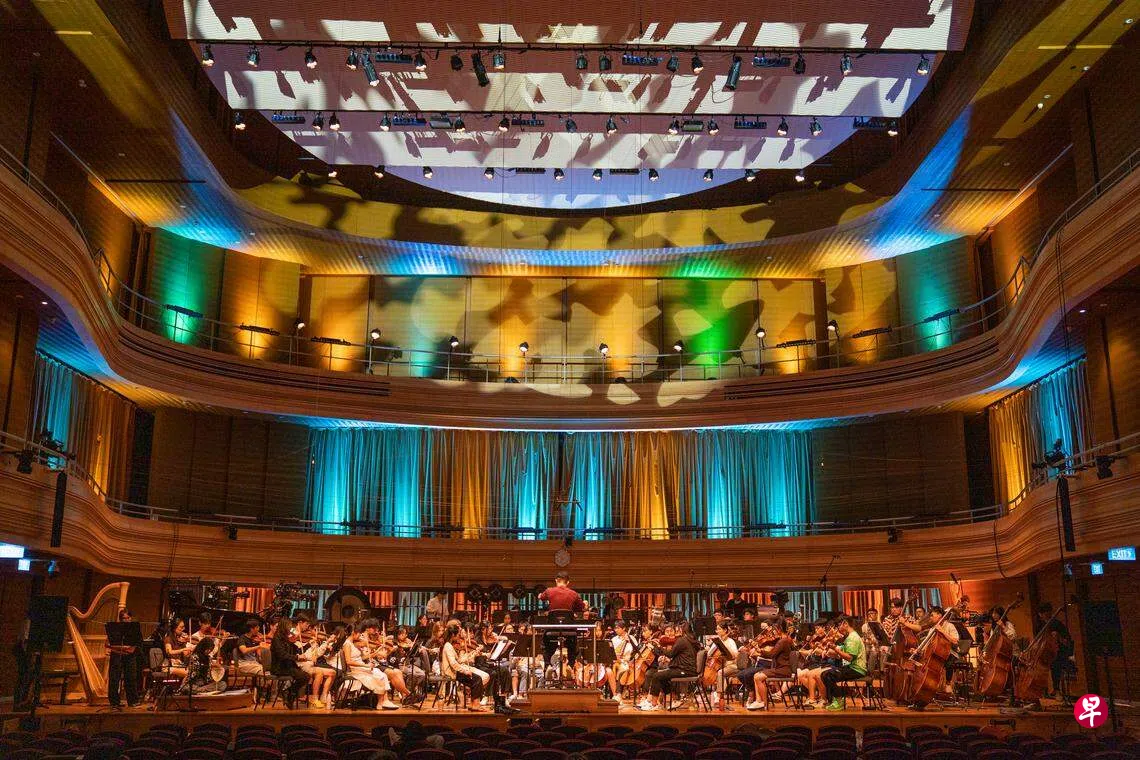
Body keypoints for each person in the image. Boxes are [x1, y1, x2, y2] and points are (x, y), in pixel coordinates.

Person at [638, 621, 698, 711]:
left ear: (682, 630)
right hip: (686, 669)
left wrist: (658, 647)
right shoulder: (689, 640)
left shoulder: (682, 640)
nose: (676, 632)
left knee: (656, 676)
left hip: (684, 670)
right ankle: (675, 699)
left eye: (677, 630)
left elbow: (670, 654)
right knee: (661, 677)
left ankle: (653, 704)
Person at [538, 571, 586, 673]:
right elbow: (581, 607)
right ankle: (570, 665)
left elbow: (541, 597)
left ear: (556, 580)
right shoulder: (574, 594)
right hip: (569, 630)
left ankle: (547, 665)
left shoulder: (549, 591)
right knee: (573, 643)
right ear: (568, 582)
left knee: (545, 642)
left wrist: (540, 595)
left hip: (552, 629)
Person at [743, 619, 792, 711]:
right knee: (756, 676)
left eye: (774, 629)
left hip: (783, 669)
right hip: (779, 668)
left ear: (779, 629)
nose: (773, 632)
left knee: (758, 677)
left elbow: (771, 654)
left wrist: (760, 651)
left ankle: (763, 703)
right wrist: (759, 650)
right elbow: (771, 654)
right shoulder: (782, 640)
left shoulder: (783, 641)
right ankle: (759, 701)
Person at [441, 624, 490, 712]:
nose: (459, 636)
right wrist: (465, 671)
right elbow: (453, 664)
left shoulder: (449, 645)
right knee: (477, 679)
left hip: (454, 671)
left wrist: (471, 655)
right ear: (453, 635)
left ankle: (473, 704)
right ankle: (476, 704)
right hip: (451, 673)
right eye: (457, 634)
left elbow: (457, 661)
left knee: (475, 679)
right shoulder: (448, 646)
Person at [821, 617, 867, 711]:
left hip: (857, 669)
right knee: (825, 674)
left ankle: (839, 700)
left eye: (839, 625)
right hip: (852, 667)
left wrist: (835, 649)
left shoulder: (852, 638)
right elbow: (841, 652)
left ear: (845, 624)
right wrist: (833, 649)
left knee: (828, 675)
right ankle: (833, 701)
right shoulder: (850, 637)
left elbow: (849, 657)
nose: (838, 628)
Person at [269, 616, 311, 709]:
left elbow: (293, 651)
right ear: (285, 626)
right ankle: (290, 694)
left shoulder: (285, 638)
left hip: (287, 666)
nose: (291, 628)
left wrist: (293, 642)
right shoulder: (277, 639)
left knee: (306, 676)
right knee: (303, 676)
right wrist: (297, 657)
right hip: (279, 667)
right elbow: (282, 655)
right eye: (289, 626)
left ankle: (289, 692)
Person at [107, 608, 140, 709]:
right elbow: (108, 644)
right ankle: (114, 702)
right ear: (120, 619)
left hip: (130, 655)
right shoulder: (114, 629)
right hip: (117, 655)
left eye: (128, 618)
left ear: (131, 618)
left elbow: (137, 642)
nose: (126, 620)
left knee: (131, 678)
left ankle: (132, 701)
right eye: (124, 618)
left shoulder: (134, 629)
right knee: (114, 678)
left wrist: (129, 649)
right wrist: (122, 648)